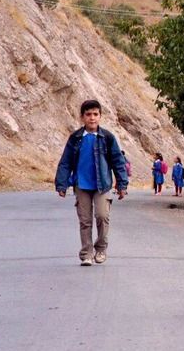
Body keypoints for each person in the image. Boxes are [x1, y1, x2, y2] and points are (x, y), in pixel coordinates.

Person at [55, 99, 128, 266]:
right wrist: (62, 184)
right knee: (85, 220)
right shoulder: (75, 138)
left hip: (102, 185)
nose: (92, 118)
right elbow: (65, 162)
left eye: (95, 114)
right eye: (88, 114)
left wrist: (122, 184)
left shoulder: (107, 137)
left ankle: (100, 248)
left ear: (100, 116)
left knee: (102, 216)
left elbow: (118, 161)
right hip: (81, 184)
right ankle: (86, 253)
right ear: (82, 117)